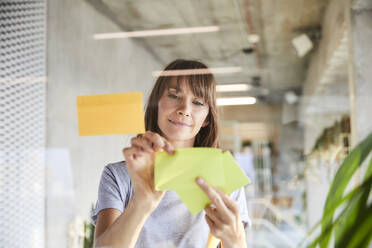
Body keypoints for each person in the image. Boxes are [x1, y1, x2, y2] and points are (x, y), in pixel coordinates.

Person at [91, 59, 250, 248]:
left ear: (207, 118)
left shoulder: (223, 175)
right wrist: (142, 203)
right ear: (156, 102)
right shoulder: (119, 175)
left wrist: (236, 240)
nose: (184, 110)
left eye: (198, 102)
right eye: (174, 96)